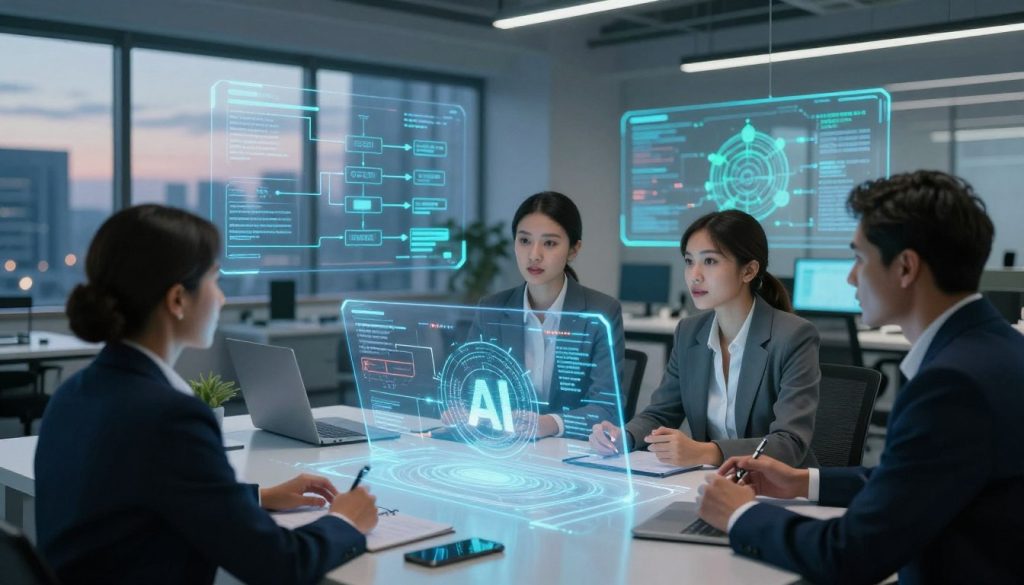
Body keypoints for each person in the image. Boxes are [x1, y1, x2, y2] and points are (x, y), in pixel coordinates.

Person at [698, 171, 1024, 585]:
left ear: (905, 267)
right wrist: (802, 481)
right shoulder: (997, 350)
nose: (851, 277)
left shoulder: (952, 384)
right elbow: (915, 480)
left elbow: (851, 554)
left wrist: (740, 515)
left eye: (859, 258)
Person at [35, 205, 379, 585]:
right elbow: (280, 565)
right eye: (216, 280)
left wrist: (256, 497)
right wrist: (345, 521)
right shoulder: (169, 417)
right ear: (178, 299)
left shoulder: (73, 393)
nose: (223, 298)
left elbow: (141, 496)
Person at [590, 209, 820, 467]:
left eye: (710, 261)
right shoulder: (689, 332)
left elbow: (788, 443)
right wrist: (626, 436)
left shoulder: (793, 336)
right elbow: (661, 413)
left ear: (748, 271)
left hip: (778, 487)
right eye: (689, 261)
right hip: (710, 482)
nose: (694, 275)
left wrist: (706, 452)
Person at [467, 191, 625, 440]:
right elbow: (471, 390)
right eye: (525, 241)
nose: (534, 255)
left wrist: (551, 424)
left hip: (571, 452)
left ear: (573, 250)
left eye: (549, 243)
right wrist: (458, 408)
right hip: (503, 448)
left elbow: (607, 408)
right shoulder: (491, 310)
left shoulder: (601, 313)